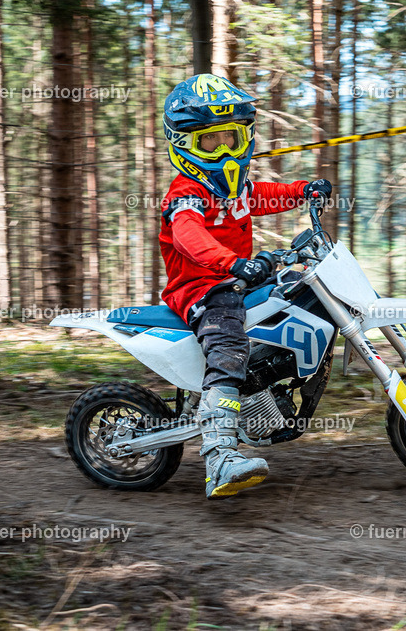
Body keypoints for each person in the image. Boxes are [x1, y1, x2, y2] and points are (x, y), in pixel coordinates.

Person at [158, 73, 332, 499]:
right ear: (184, 145)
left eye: (230, 139)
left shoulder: (232, 187)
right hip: (202, 289)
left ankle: (268, 382)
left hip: (236, 278)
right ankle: (219, 456)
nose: (223, 151)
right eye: (209, 143)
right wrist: (233, 263)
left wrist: (302, 191)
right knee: (228, 346)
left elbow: (264, 195)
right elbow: (189, 236)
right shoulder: (186, 193)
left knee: (297, 295)